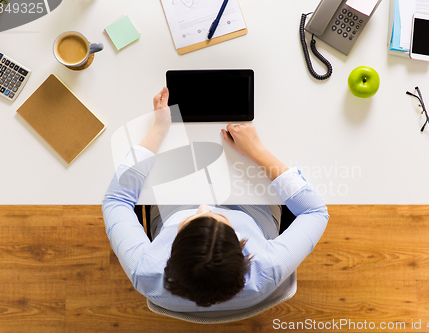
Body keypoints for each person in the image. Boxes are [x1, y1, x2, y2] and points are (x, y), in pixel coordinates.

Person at [102, 87, 329, 312]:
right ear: (243, 250)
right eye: (217, 217)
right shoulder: (268, 267)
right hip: (253, 215)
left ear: (169, 254)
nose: (203, 206)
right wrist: (256, 150)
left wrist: (160, 128)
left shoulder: (146, 270)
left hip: (173, 207)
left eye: (191, 221)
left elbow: (116, 200)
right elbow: (315, 212)